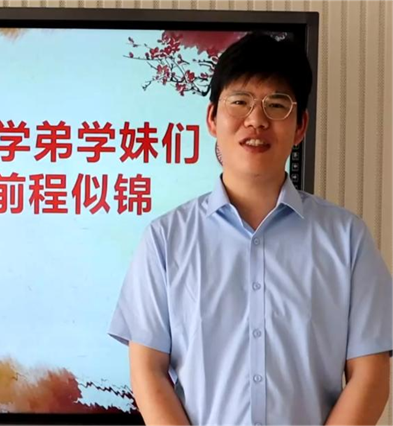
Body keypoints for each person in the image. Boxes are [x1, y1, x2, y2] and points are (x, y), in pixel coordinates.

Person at [108, 32, 392, 426]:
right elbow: (147, 370)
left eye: (276, 105)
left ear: (300, 126)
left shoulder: (347, 239)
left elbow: (370, 374)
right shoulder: (165, 239)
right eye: (240, 102)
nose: (256, 120)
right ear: (212, 118)